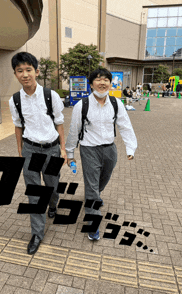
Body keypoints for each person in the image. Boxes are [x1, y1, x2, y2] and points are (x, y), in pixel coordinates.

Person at [65, 68, 137, 241]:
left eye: (106, 79)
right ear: (91, 84)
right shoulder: (81, 105)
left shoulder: (116, 103)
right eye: (98, 79)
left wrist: (130, 148)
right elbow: (74, 131)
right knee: (91, 185)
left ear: (110, 84)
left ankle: (95, 195)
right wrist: (70, 153)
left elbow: (125, 126)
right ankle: (93, 223)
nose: (102, 82)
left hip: (109, 149)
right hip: (89, 149)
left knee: (103, 178)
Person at [9, 52, 67, 255]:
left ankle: (53, 203)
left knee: (52, 185)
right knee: (34, 193)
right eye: (20, 71)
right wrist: (20, 150)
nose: (25, 74)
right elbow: (18, 126)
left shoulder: (51, 96)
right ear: (15, 74)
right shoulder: (15, 100)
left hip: (52, 149)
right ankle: (36, 233)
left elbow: (59, 122)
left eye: (28, 70)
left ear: (37, 71)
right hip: (30, 149)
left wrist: (63, 148)